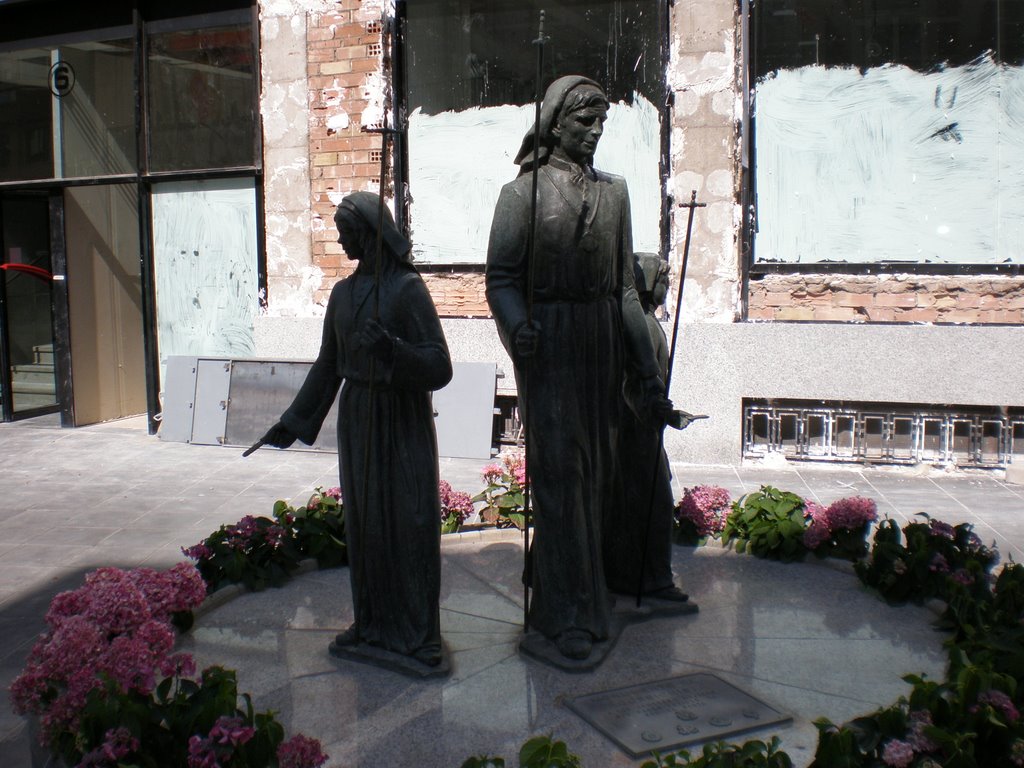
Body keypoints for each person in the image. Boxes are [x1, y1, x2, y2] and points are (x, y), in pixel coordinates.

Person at [485, 76, 672, 661]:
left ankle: (601, 588)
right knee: (561, 475)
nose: (593, 134)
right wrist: (519, 328)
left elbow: (622, 289)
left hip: (602, 346)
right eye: (583, 123)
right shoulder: (522, 195)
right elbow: (500, 279)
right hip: (552, 344)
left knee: (600, 476)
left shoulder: (615, 195)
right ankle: (563, 614)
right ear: (554, 125)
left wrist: (645, 367)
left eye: (600, 125)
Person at [260, 191, 452, 668]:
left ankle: (420, 633)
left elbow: (440, 366)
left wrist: (394, 351)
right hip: (359, 417)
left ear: (370, 234)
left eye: (347, 232)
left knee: (410, 522)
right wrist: (292, 422)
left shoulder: (407, 290)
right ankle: (371, 623)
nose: (341, 240)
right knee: (367, 525)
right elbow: (328, 366)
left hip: (401, 418)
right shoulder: (343, 296)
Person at [604, 253, 692, 600]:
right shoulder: (635, 326)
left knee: (648, 503)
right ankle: (647, 579)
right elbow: (629, 383)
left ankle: (642, 575)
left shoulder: (649, 322)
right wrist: (658, 411)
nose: (667, 287)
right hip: (634, 434)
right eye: (663, 280)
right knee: (651, 506)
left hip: (646, 432)